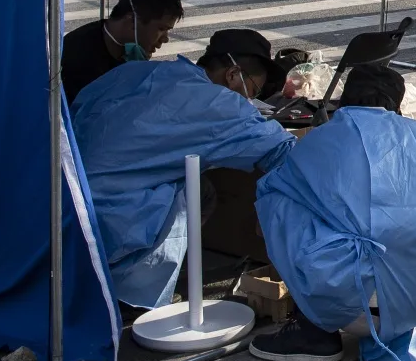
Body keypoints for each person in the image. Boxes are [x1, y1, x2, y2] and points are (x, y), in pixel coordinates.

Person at [251, 63, 416, 361]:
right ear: (398, 102)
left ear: (345, 99)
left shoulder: (320, 139)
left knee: (275, 200)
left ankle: (313, 329)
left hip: (346, 301)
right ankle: (391, 329)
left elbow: (278, 187)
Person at [70, 32, 292, 312]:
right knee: (190, 192)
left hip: (64, 190)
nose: (251, 101)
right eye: (253, 91)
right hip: (112, 212)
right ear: (233, 74)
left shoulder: (140, 71)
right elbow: (281, 151)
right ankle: (131, 295)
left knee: (203, 186)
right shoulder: (220, 104)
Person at [60, 0, 182, 104]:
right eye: (161, 29)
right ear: (132, 20)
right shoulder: (78, 57)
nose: (165, 39)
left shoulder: (130, 51)